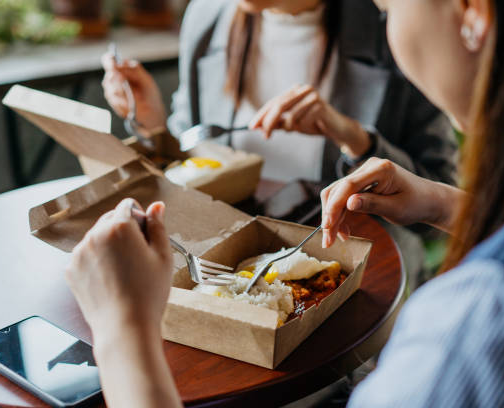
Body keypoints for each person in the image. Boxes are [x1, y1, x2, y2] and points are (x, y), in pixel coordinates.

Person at [69, 0, 504, 406]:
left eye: (390, 8)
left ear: (471, 11)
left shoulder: (472, 327)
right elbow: (192, 150)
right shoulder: (209, 19)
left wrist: (120, 330)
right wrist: (441, 203)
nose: (385, 19)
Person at [102, 0, 460, 285]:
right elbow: (190, 154)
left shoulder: (397, 24)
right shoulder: (207, 15)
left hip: (354, 278)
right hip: (222, 270)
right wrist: (152, 124)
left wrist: (355, 139)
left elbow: (437, 206)